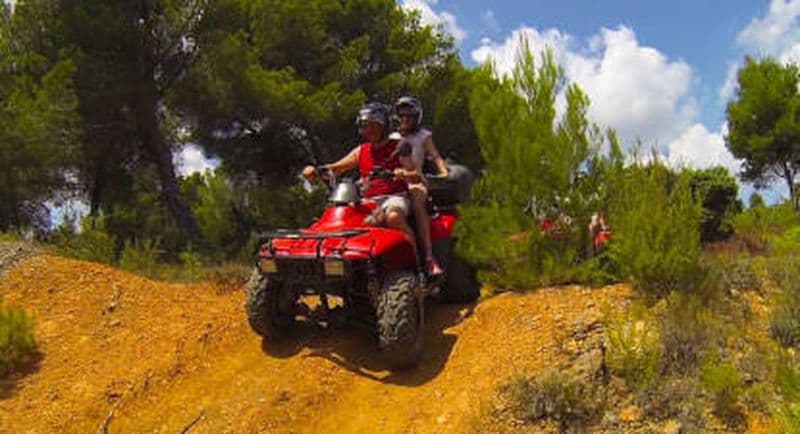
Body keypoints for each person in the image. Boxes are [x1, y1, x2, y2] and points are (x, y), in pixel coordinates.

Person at [302, 102, 415, 247]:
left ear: (384, 126)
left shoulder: (399, 146)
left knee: (393, 217)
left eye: (373, 125)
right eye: (365, 126)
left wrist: (402, 173)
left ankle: (415, 256)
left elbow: (415, 174)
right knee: (345, 222)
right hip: (367, 202)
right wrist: (315, 171)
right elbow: (336, 168)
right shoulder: (361, 150)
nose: (369, 130)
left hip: (394, 197)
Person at [391, 96, 448, 276]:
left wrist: (443, 172)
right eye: (401, 115)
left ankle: (429, 258)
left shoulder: (423, 136)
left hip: (416, 181)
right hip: (392, 184)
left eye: (409, 116)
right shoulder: (392, 138)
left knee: (417, 204)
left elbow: (435, 155)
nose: (405, 119)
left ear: (417, 117)